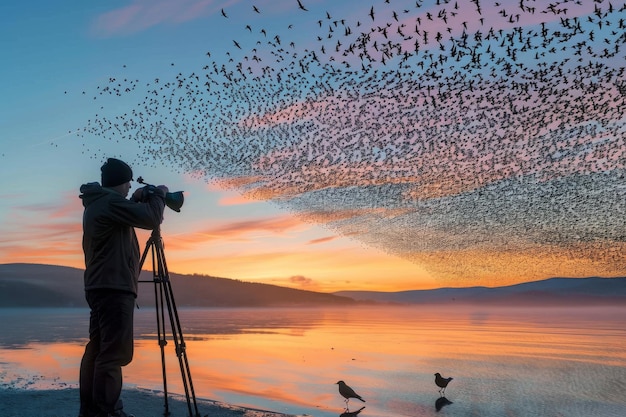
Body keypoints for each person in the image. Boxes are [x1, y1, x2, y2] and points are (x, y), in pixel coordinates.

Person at [78, 158, 168, 417]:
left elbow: (127, 213)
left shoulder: (100, 202)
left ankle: (91, 411)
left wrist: (138, 200)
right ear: (120, 182)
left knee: (98, 350)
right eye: (128, 182)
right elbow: (152, 219)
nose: (130, 186)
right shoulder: (109, 203)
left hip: (101, 285)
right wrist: (159, 194)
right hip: (114, 286)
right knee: (114, 353)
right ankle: (109, 412)